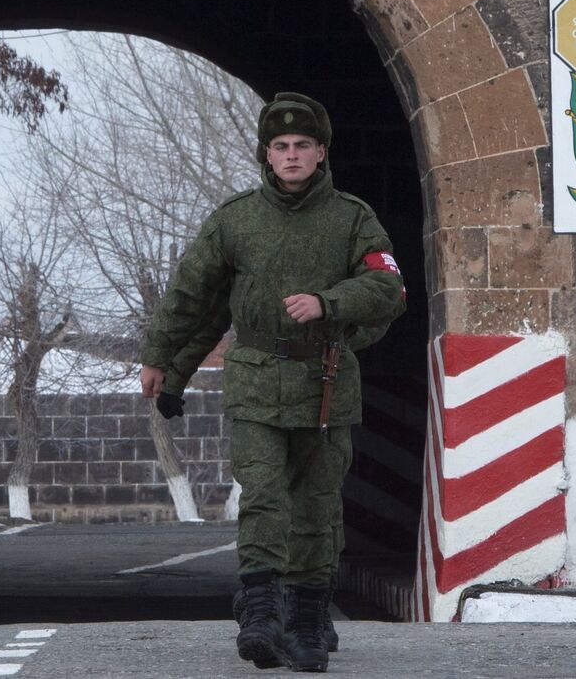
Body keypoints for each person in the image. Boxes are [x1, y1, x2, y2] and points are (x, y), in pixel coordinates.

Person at [141, 92, 405, 673]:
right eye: (281, 147)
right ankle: (260, 611)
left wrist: (328, 303)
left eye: (302, 146)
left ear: (320, 153)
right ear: (267, 154)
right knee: (263, 496)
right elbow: (195, 298)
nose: (291, 155)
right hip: (257, 381)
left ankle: (308, 617)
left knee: (315, 506)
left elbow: (391, 289)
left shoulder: (353, 218)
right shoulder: (235, 219)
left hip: (326, 384)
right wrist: (162, 359)